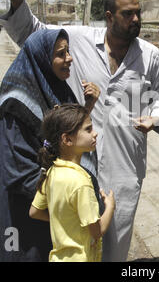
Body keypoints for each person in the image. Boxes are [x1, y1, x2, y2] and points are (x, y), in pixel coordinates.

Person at [0, 0, 159, 261]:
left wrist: (155, 118)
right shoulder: (79, 41)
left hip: (125, 167)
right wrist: (18, 0)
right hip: (77, 162)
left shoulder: (151, 56)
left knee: (116, 241)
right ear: (109, 16)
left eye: (138, 13)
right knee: (77, 238)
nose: (135, 19)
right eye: (127, 14)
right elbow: (36, 36)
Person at [0, 28, 100, 262]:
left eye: (69, 51)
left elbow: (63, 136)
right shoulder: (16, 104)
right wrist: (67, 204)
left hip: (51, 212)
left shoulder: (55, 89)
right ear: (42, 58)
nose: (69, 58)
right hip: (28, 215)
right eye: (61, 53)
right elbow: (18, 172)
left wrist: (87, 107)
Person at [29, 104, 115, 262]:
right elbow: (98, 231)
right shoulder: (81, 182)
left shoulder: (51, 172)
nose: (95, 134)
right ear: (67, 139)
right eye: (88, 130)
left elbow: (34, 212)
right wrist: (110, 207)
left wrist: (66, 220)